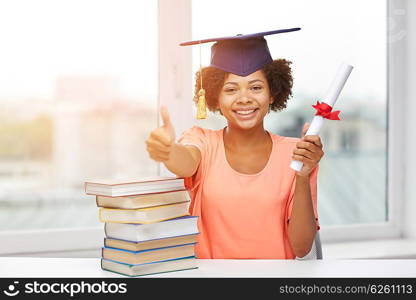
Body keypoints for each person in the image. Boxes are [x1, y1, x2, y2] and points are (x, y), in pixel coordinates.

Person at [145, 28, 324, 259]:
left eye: (256, 87)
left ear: (272, 93)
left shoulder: (297, 153)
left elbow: (302, 247)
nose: (245, 98)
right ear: (214, 98)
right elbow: (186, 162)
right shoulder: (202, 141)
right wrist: (168, 151)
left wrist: (302, 174)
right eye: (231, 89)